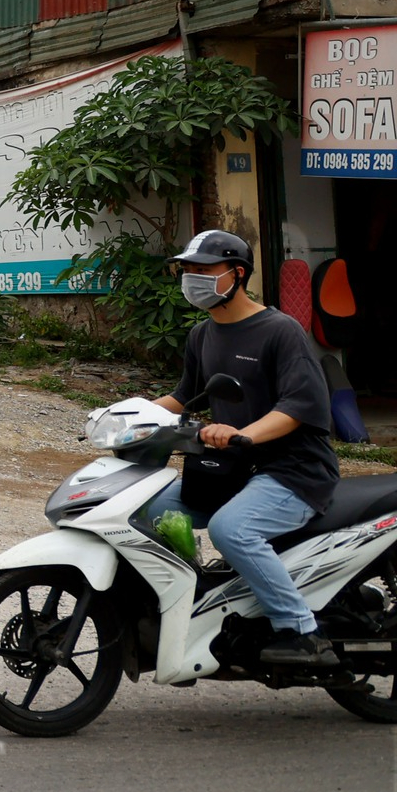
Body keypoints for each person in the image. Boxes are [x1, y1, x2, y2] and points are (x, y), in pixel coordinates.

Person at [140, 230, 342, 666]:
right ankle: (196, 601)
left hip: (294, 471)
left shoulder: (280, 331)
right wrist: (127, 414)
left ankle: (302, 632)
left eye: (204, 269)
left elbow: (300, 406)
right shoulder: (202, 335)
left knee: (230, 530)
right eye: (188, 270)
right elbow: (183, 397)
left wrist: (240, 432)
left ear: (236, 273)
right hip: (230, 469)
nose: (192, 278)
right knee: (146, 513)